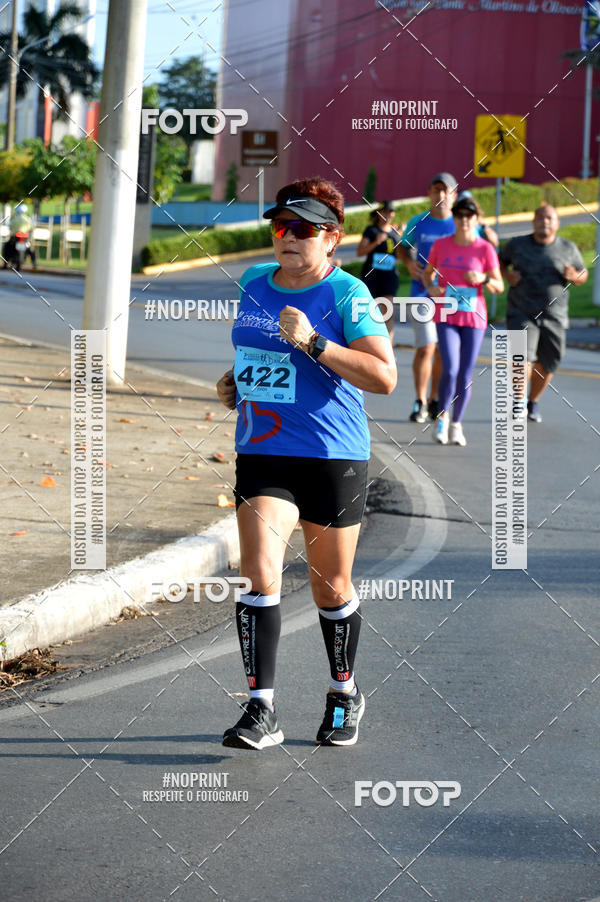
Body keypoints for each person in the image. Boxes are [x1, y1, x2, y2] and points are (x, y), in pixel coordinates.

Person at [215, 177, 396, 750]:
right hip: (264, 450)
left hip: (332, 455)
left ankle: (344, 692)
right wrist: (236, 381)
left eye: (302, 229)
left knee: (330, 585)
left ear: (332, 239)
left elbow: (383, 376)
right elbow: (252, 354)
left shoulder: (348, 295)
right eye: (279, 226)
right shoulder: (251, 283)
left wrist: (316, 343)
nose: (287, 237)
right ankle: (260, 709)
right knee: (259, 573)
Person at [422, 194, 503, 446]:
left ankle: (457, 424)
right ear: (454, 218)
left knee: (465, 373)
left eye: (469, 216)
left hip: (474, 317)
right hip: (446, 313)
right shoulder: (441, 245)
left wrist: (483, 279)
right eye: (459, 216)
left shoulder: (485, 249)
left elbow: (499, 285)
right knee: (451, 368)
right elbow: (427, 274)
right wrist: (431, 287)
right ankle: (443, 418)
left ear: (477, 219)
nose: (464, 220)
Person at [499, 204, 588, 423]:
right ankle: (519, 402)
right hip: (522, 310)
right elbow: (499, 262)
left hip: (554, 314)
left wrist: (574, 276)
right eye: (540, 217)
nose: (544, 221)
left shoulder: (568, 247)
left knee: (550, 362)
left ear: (557, 223)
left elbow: (583, 273)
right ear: (533, 221)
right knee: (522, 356)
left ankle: (532, 401)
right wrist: (507, 276)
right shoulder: (518, 244)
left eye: (549, 218)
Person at [398, 172, 458, 424]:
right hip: (421, 294)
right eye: (436, 190)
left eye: (446, 191)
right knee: (426, 347)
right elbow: (401, 245)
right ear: (430, 193)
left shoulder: (461, 223)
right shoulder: (419, 221)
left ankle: (434, 399)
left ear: (454, 196)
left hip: (450, 298)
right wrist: (409, 262)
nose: (440, 195)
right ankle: (419, 400)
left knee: (443, 351)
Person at [357, 201, 403, 341]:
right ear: (379, 213)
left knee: (388, 310)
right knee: (369, 311)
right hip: (371, 276)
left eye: (391, 212)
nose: (388, 215)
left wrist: (403, 242)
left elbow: (399, 257)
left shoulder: (395, 233)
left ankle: (388, 347)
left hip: (389, 277)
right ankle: (368, 342)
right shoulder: (371, 230)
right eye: (385, 212)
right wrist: (376, 242)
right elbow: (360, 252)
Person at [2, 203, 36, 269]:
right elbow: (31, 228)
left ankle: (5, 264)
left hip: (15, 237)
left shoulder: (15, 219)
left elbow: (10, 226)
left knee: (6, 247)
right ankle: (34, 264)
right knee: (31, 249)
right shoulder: (28, 219)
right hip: (25, 238)